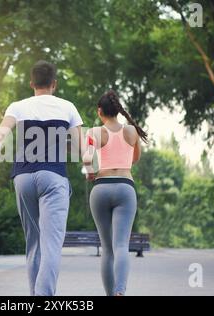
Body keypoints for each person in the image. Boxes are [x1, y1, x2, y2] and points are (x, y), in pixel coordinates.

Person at [0, 60, 84, 296]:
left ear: (31, 83)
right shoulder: (67, 107)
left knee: (33, 243)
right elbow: (81, 149)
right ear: (54, 84)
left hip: (22, 178)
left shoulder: (18, 106)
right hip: (53, 178)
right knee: (51, 245)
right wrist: (94, 169)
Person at [83, 90, 148, 296]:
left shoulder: (94, 132)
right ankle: (120, 291)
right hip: (125, 187)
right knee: (121, 245)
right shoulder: (131, 131)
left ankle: (110, 295)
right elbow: (135, 159)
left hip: (100, 188)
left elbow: (87, 159)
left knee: (107, 249)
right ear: (118, 111)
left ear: (99, 111)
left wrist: (91, 172)